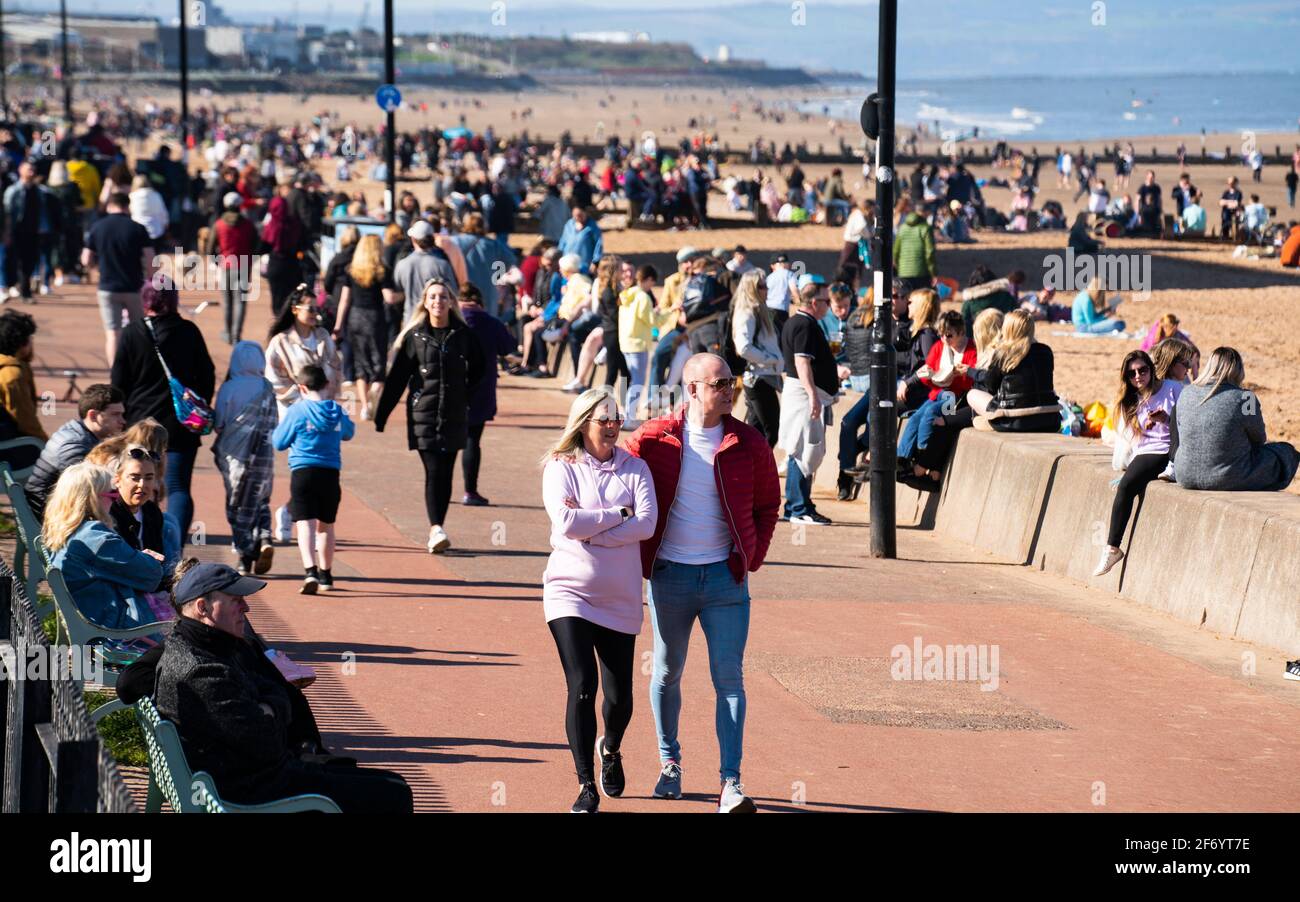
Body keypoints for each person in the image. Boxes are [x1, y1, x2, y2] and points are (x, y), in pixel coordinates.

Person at [624, 353, 780, 814]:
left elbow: (769, 505)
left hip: (725, 580)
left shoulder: (748, 442)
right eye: (719, 383)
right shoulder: (654, 440)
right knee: (667, 672)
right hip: (669, 576)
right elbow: (610, 469)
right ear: (692, 389)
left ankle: (731, 783)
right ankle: (669, 763)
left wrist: (751, 556)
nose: (729, 390)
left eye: (732, 382)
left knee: (729, 679)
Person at [154, 561, 413, 812]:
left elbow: (275, 692)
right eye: (236, 600)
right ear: (203, 607)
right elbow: (269, 742)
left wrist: (267, 707)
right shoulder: (202, 669)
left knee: (387, 783)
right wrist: (271, 706)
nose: (246, 608)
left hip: (247, 777)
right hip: (250, 790)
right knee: (393, 793)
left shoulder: (204, 646)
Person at [540, 389, 657, 813]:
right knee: (582, 685)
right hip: (568, 591)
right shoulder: (561, 466)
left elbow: (646, 524)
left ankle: (611, 748)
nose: (612, 425)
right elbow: (567, 522)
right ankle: (586, 784)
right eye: (603, 418)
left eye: (616, 418)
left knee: (619, 697)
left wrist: (594, 528)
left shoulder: (636, 468)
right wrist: (617, 514)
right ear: (583, 421)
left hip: (620, 596)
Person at [375, 278, 485, 554]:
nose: (438, 301)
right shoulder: (415, 337)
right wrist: (382, 415)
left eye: (443, 296)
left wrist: (466, 395)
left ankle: (438, 527)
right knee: (434, 470)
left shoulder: (464, 335)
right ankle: (436, 528)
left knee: (446, 473)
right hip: (423, 414)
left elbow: (481, 369)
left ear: (451, 302)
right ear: (425, 303)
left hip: (454, 414)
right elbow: (397, 379)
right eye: (432, 297)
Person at [111, 280, 216, 544]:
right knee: (178, 487)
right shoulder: (188, 331)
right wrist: (196, 400)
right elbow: (207, 375)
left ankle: (138, 541)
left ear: (145, 300)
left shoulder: (132, 332)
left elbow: (118, 381)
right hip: (180, 424)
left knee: (137, 482)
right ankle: (173, 547)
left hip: (139, 424)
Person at [43, 461, 165, 629]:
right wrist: (146, 558)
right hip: (115, 632)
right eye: (112, 495)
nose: (115, 501)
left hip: (90, 622)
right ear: (94, 498)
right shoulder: (95, 537)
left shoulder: (63, 530)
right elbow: (152, 577)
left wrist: (137, 558)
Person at [1093, 350, 1182, 577]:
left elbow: (1188, 425)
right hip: (1147, 452)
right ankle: (1112, 549)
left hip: (1169, 449)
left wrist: (1167, 420)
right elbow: (1134, 441)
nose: (1138, 376)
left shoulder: (1173, 389)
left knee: (1126, 486)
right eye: (1132, 374)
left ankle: (1112, 547)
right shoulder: (1129, 401)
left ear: (1151, 370)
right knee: (1126, 486)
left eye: (1142, 370)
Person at [271, 364, 354, 594]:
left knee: (305, 524)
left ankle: (310, 571)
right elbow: (349, 433)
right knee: (326, 525)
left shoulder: (297, 412)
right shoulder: (336, 411)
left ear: (302, 388)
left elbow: (279, 442)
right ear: (327, 385)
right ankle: (327, 574)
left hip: (302, 472)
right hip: (330, 473)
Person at [1171, 347, 1299, 492]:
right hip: (1226, 476)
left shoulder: (1186, 392)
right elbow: (1259, 438)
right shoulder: (1247, 397)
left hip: (1184, 475)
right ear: (1238, 370)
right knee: (1286, 452)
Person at [779, 280, 848, 524]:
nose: (829, 306)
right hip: (804, 396)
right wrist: (812, 395)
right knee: (802, 450)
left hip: (806, 394)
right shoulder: (803, 325)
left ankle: (799, 505)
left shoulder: (801, 323)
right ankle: (798, 508)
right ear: (815, 302)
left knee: (805, 450)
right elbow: (801, 362)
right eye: (826, 301)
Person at [213, 341, 278, 576]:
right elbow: (274, 423)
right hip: (263, 455)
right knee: (259, 499)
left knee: (237, 502)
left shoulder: (229, 388)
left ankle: (244, 554)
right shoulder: (267, 387)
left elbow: (218, 423)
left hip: (234, 456)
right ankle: (264, 536)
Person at [25, 383, 125, 519]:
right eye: (115, 414)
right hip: (48, 513)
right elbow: (83, 490)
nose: (122, 421)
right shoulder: (75, 444)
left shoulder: (77, 431)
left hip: (51, 505)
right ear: (94, 416)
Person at [106, 444, 181, 622]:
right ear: (117, 480)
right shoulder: (109, 514)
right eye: (134, 478)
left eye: (149, 478)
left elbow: (159, 561)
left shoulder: (151, 512)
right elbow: (122, 569)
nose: (142, 485)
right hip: (124, 599)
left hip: (151, 588)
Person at [459, 281, 516, 506]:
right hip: (481, 388)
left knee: (445, 443)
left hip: (451, 388)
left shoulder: (451, 320)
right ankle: (470, 491)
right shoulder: (490, 322)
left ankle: (436, 488)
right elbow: (507, 347)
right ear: (479, 301)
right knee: (473, 439)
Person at [83, 192, 154, 366]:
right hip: (134, 286)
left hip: (107, 286)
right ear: (127, 206)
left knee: (113, 333)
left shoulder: (97, 227)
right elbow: (151, 259)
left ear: (109, 206)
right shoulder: (138, 228)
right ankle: (138, 368)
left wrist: (97, 269)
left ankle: (116, 373)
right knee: (139, 331)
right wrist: (150, 278)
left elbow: (86, 259)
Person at [961, 311, 1059, 432]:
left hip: (1013, 421)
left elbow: (990, 385)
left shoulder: (1003, 353)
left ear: (1008, 329)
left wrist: (970, 372)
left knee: (972, 394)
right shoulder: (1046, 351)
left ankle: (989, 422)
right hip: (1048, 418)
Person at [333, 234, 395, 421]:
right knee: (378, 360)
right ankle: (375, 391)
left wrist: (338, 325)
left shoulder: (352, 270)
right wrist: (402, 296)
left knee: (360, 362)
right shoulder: (382, 271)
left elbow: (344, 299)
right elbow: (389, 298)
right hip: (375, 317)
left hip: (355, 316)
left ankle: (365, 405)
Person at [617, 264, 677, 427]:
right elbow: (652, 322)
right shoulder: (643, 297)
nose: (652, 286)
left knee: (633, 381)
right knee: (637, 382)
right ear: (649, 279)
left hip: (626, 342)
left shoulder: (628, 293)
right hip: (638, 344)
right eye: (652, 282)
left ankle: (629, 415)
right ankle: (630, 417)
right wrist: (670, 311)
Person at [730, 269, 783, 447]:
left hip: (763, 377)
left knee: (755, 433)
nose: (766, 289)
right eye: (761, 286)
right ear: (751, 288)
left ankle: (745, 470)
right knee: (771, 432)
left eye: (766, 285)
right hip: (758, 378)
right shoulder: (747, 313)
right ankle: (758, 470)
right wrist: (769, 358)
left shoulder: (759, 310)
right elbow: (743, 347)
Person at [3, 161, 58, 302]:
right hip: (17, 231)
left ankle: (25, 289)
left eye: (33, 170)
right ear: (20, 170)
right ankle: (19, 289)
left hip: (35, 231)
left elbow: (45, 211)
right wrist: (7, 232)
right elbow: (8, 212)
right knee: (16, 261)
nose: (31, 173)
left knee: (31, 261)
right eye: (29, 169)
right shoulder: (13, 191)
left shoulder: (40, 191)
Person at [0, 310, 47, 460]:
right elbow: (27, 422)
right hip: (9, 449)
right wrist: (51, 448)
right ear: (23, 343)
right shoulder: (12, 376)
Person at [210, 192, 257, 344]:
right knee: (240, 301)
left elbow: (210, 248)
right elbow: (256, 244)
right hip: (243, 266)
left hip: (226, 266)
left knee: (227, 301)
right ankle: (236, 334)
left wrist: (218, 262)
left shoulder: (218, 225)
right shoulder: (248, 225)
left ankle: (228, 332)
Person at [393, 220, 461, 325]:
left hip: (411, 320)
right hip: (435, 321)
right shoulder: (442, 265)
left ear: (413, 239)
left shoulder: (402, 264)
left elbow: (398, 292)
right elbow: (454, 293)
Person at [893, 199, 935, 296]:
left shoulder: (905, 221)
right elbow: (929, 251)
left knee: (906, 291)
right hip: (918, 267)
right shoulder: (901, 217)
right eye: (910, 204)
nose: (911, 207)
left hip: (904, 265)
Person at [558, 206, 603, 274]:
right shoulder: (569, 224)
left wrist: (595, 262)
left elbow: (598, 244)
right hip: (567, 265)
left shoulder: (592, 226)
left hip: (584, 266)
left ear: (585, 213)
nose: (577, 218)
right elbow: (562, 242)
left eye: (580, 215)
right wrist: (559, 256)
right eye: (575, 215)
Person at [763, 252, 800, 334]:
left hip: (766, 310)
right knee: (781, 337)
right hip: (780, 311)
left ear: (773, 266)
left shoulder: (769, 277)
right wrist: (800, 304)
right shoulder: (789, 274)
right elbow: (794, 291)